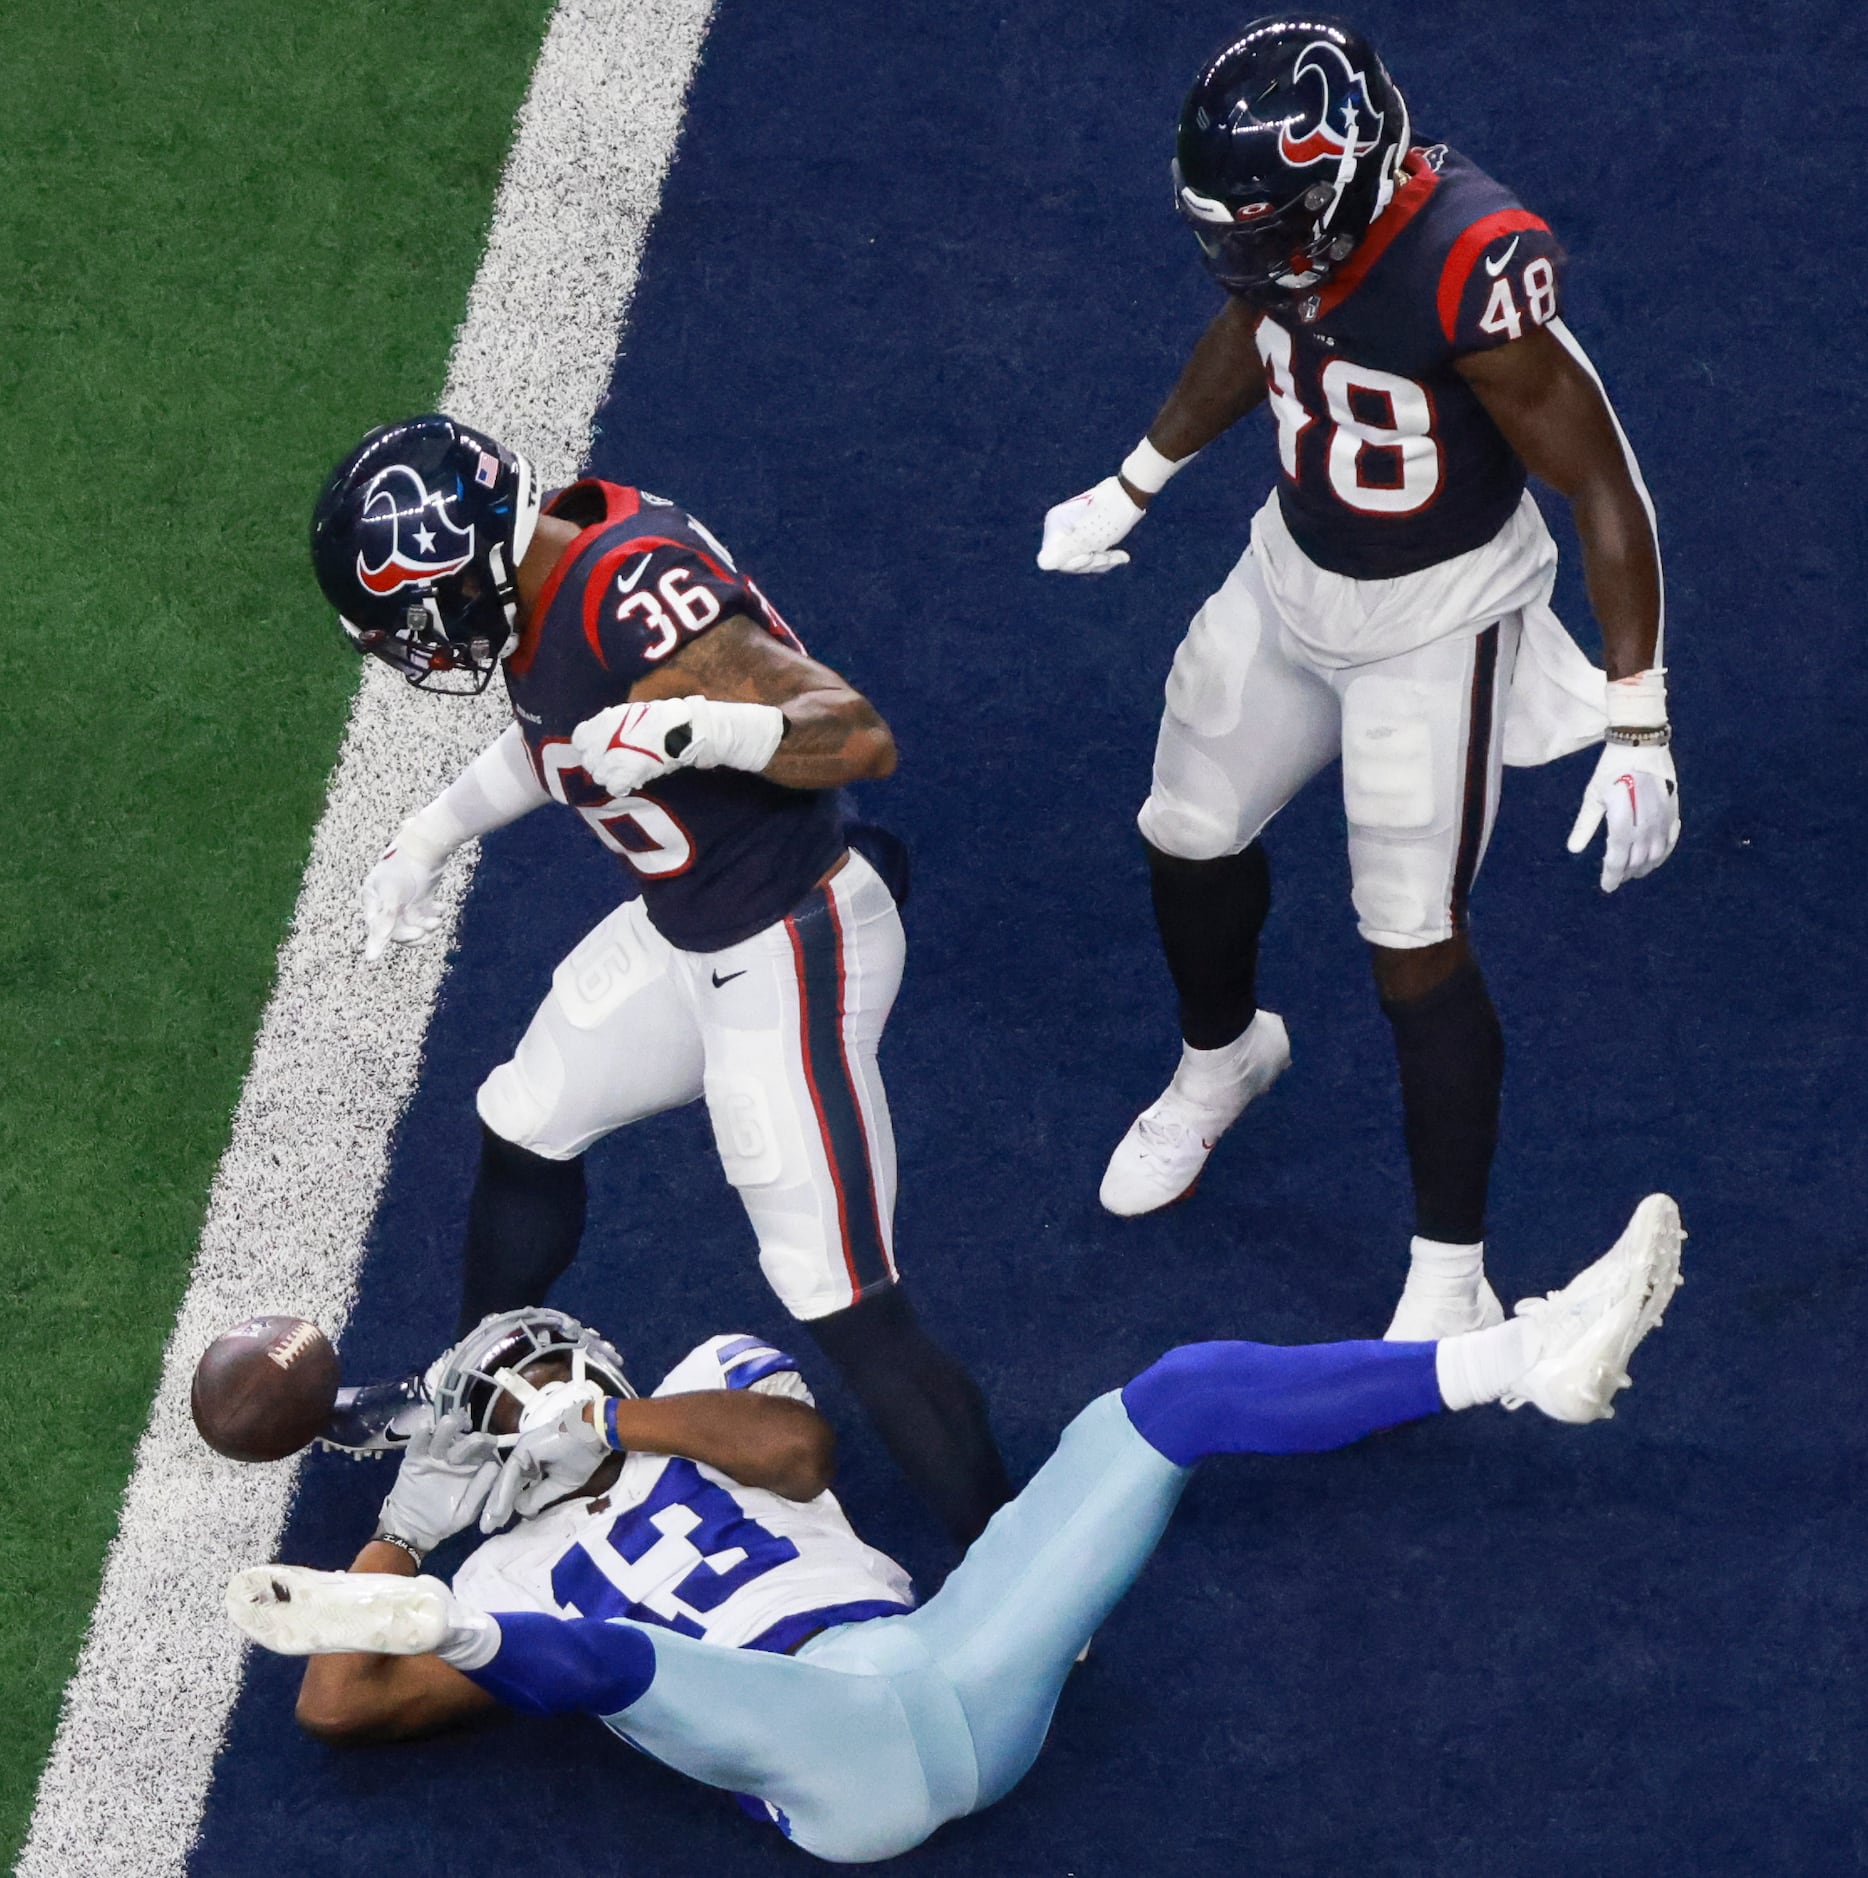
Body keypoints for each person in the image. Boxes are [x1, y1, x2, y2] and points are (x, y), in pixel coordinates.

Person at [229, 1196, 1683, 1865]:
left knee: (1166, 1399)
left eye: (558, 1369)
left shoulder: (711, 1377)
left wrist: (613, 1430)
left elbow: (795, 1448)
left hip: (954, 1658)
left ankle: (1519, 1360)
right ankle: (463, 1636)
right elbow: (336, 1705)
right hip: (813, 1758)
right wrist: (406, 1546)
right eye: (524, 1395)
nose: (548, 1394)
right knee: (605, 1654)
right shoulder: (501, 1556)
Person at [1036, 20, 1679, 1338]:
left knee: (1409, 934)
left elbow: (1601, 483)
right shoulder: (1292, 244)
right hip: (1291, 572)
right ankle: (1223, 1062)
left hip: (1437, 621)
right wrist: (1133, 481)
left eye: (1264, 228)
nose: (1246, 258)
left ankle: (1453, 1272)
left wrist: (1639, 713)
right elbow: (1251, 326)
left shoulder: (1468, 268)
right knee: (1188, 828)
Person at [306, 415, 1011, 1546]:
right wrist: (428, 834)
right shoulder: (546, 576)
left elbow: (856, 733)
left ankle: (1014, 1557)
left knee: (836, 1291)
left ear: (467, 563)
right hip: (695, 932)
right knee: (526, 1116)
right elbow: (557, 732)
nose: (419, 648)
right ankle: (476, 1409)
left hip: (793, 939)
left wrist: (697, 731)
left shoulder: (629, 588)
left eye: (416, 619)